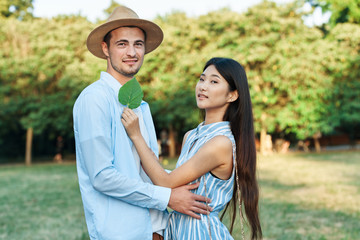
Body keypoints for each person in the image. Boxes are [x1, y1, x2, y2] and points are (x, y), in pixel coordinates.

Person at [73, 6, 211, 240]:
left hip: (158, 229)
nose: (132, 52)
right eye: (122, 44)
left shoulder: (141, 106)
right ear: (105, 48)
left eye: (138, 44)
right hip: (122, 233)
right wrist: (168, 197)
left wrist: (193, 182)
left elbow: (145, 170)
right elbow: (102, 176)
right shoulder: (94, 99)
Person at [122, 57, 263, 239]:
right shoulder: (191, 135)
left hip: (200, 233)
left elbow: (166, 182)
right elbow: (176, 182)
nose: (203, 86)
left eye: (214, 81)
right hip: (177, 229)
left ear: (232, 95)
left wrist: (136, 135)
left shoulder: (221, 143)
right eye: (202, 79)